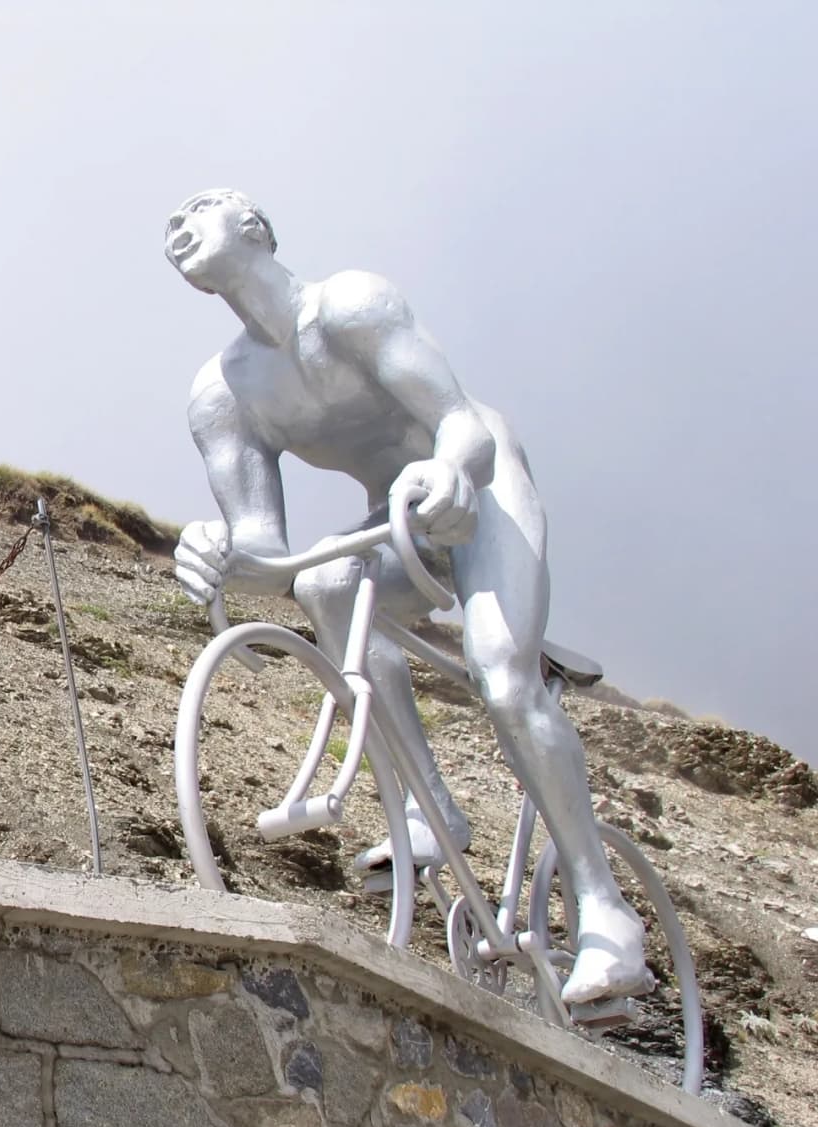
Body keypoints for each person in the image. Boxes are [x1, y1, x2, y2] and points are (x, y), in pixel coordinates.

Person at [165, 188, 650, 1006]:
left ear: (254, 227)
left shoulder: (349, 306)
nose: (180, 227)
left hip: (478, 486)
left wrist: (451, 470)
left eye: (198, 208)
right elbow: (269, 553)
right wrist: (217, 554)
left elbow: (462, 422)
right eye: (170, 225)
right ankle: (431, 810)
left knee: (503, 680)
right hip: (397, 521)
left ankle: (606, 913)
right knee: (324, 583)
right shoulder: (223, 393)